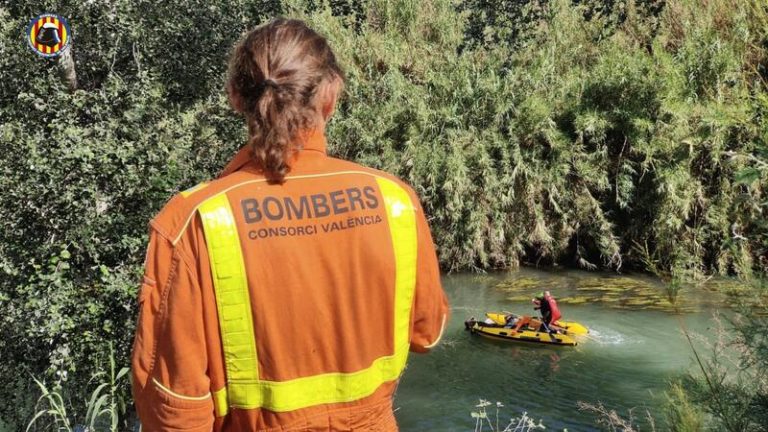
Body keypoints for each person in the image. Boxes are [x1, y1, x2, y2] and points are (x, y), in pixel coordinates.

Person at [131, 18, 449, 432]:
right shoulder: (395, 201)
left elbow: (174, 404)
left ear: (235, 97)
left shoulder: (194, 220)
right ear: (331, 94)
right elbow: (428, 331)